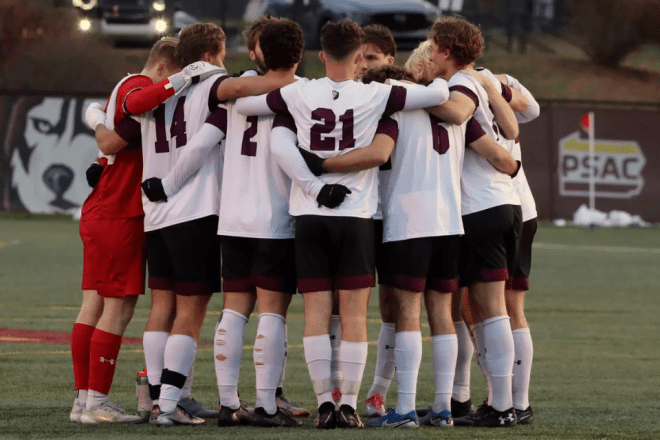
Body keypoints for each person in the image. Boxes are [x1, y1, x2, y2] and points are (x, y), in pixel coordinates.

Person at [235, 18, 450, 429]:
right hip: (355, 215)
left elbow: (245, 105)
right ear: (357, 56)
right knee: (353, 314)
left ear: (320, 55)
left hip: (310, 214)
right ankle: (348, 404)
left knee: (315, 311)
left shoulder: (299, 91)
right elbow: (439, 92)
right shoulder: (376, 93)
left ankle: (323, 404)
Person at [87, 21, 297, 426]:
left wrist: (96, 115)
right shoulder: (209, 81)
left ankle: (158, 400)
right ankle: (170, 404)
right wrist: (289, 79)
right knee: (192, 309)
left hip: (155, 212)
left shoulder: (152, 96)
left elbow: (124, 120)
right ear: (211, 53)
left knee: (161, 306)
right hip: (193, 208)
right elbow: (236, 90)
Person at [296, 63, 518, 429]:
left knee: (408, 314)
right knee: (443, 314)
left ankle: (406, 409)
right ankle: (444, 408)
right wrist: (513, 168)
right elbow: (498, 153)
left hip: (407, 222)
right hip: (450, 222)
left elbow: (378, 154)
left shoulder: (392, 110)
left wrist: (321, 165)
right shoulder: (454, 111)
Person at [71, 37, 183, 424]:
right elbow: (113, 137)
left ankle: (84, 400)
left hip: (103, 210)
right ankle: (95, 403)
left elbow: (104, 131)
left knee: (95, 305)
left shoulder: (126, 82)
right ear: (165, 69)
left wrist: (97, 121)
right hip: (120, 213)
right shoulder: (139, 90)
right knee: (118, 308)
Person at [426, 16, 523, 428]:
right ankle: (497, 403)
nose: (430, 55)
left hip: (483, 207)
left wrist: (405, 93)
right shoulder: (469, 81)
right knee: (482, 311)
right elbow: (512, 128)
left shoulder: (460, 85)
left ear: (447, 51)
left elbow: (460, 114)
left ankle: (503, 406)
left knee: (489, 309)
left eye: (433, 48)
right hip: (491, 205)